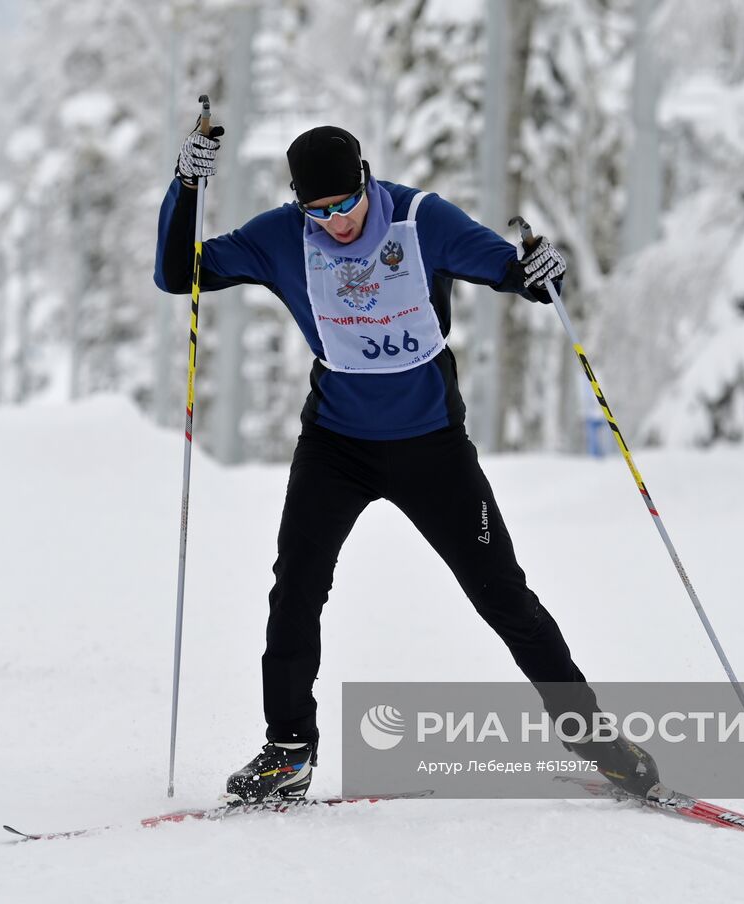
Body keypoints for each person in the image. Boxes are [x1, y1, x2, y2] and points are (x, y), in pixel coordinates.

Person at [154, 121, 658, 802]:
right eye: (317, 210)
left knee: (501, 592)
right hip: (335, 446)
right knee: (295, 588)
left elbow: (517, 275)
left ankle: (595, 737)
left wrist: (544, 270)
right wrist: (186, 183)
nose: (333, 222)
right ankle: (289, 750)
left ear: (367, 178)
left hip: (432, 448)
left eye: (344, 204)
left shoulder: (421, 220)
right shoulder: (283, 236)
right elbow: (176, 272)